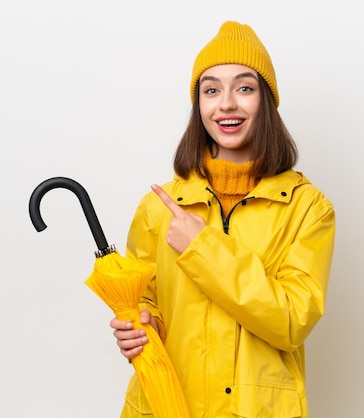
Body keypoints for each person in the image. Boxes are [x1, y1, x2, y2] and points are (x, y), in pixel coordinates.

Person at [109, 20, 335, 418]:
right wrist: (143, 327)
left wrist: (203, 248)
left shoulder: (308, 208)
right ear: (199, 105)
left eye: (244, 88)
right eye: (211, 90)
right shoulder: (159, 207)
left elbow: (291, 320)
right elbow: (146, 299)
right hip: (166, 404)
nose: (226, 104)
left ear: (266, 100)